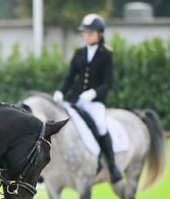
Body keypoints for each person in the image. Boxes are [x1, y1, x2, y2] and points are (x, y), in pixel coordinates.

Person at [53, 13, 123, 183]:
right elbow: (70, 77)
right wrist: (61, 92)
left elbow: (108, 83)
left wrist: (94, 93)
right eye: (85, 32)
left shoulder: (106, 54)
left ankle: (112, 165)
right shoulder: (79, 53)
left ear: (99, 33)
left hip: (95, 102)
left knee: (100, 125)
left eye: (90, 32)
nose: (87, 35)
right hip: (76, 99)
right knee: (60, 125)